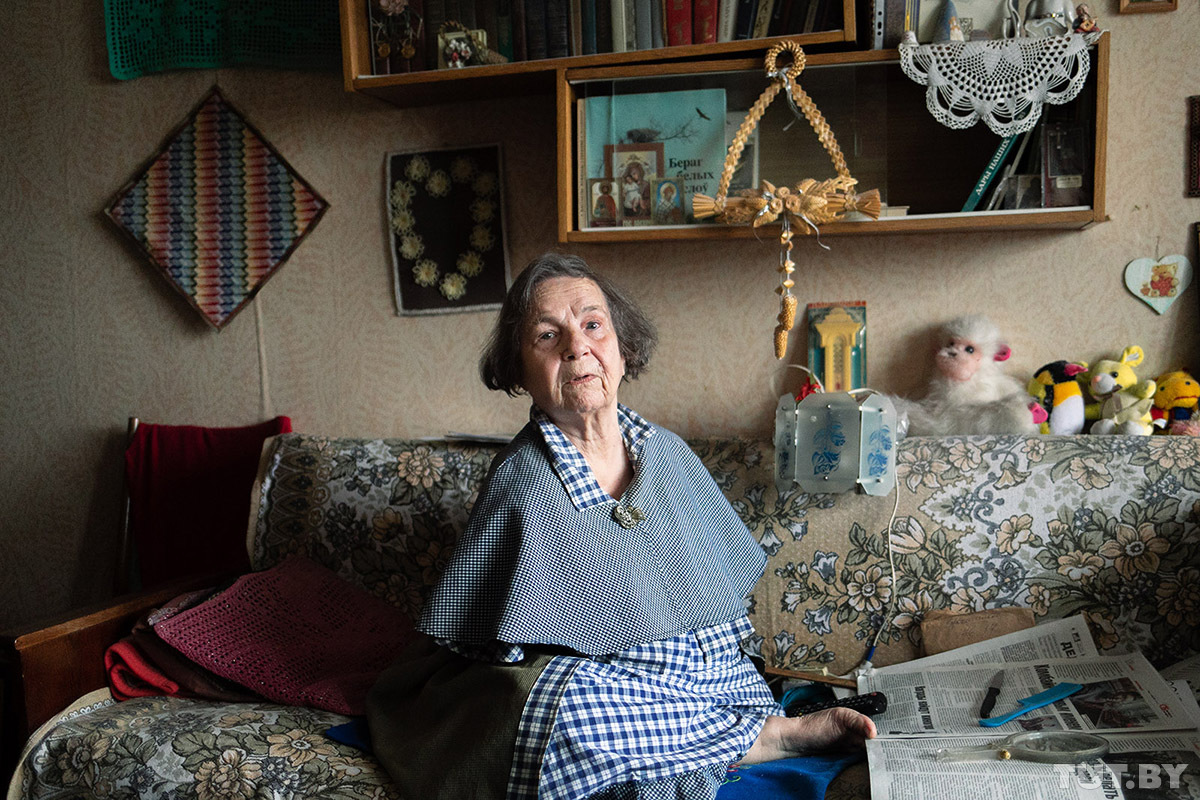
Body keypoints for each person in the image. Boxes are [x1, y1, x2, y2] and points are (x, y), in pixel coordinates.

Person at [367, 253, 875, 799]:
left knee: (726, 677)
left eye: (593, 325)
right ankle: (764, 738)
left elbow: (720, 600)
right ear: (518, 368)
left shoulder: (668, 453)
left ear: (623, 347)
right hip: (605, 688)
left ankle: (750, 731)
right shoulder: (521, 479)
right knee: (563, 714)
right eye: (547, 335)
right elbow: (498, 649)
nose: (576, 347)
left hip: (707, 677)